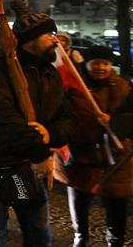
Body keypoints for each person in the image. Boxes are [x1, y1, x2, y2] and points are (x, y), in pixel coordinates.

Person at [0, 0, 77, 247]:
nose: (56, 38)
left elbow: (69, 118)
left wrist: (48, 134)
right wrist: (40, 150)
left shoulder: (49, 73)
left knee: (39, 234)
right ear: (31, 40)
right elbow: (3, 120)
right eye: (49, 34)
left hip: (33, 169)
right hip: (0, 167)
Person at [54, 45, 132, 247]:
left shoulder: (123, 86)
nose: (101, 67)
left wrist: (113, 121)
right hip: (82, 155)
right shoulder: (74, 87)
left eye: (105, 63)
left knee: (117, 203)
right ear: (87, 64)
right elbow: (64, 118)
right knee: (80, 200)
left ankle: (116, 241)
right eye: (96, 63)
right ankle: (80, 237)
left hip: (115, 158)